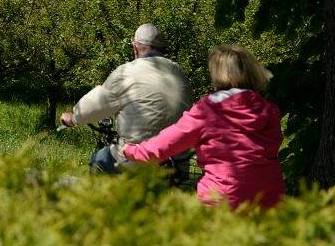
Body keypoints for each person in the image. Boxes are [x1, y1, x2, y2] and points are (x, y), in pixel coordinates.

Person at [122, 45, 285, 209]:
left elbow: (164, 145)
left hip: (223, 199)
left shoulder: (208, 110)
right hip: (269, 198)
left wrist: (130, 150)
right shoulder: (269, 110)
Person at [59, 23, 192, 173]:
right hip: (177, 162)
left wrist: (73, 118)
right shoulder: (180, 74)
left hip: (138, 160)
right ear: (163, 49)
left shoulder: (126, 73)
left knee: (99, 158)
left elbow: (95, 104)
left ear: (135, 48)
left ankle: (98, 196)